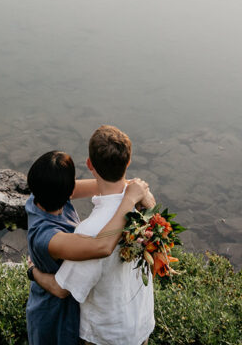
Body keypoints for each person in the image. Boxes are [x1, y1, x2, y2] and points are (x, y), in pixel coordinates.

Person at [33, 126, 155, 345]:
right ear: (128, 161)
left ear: (89, 164)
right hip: (140, 323)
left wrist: (32, 271)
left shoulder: (91, 231)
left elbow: (63, 288)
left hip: (107, 335)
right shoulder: (143, 203)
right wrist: (134, 192)